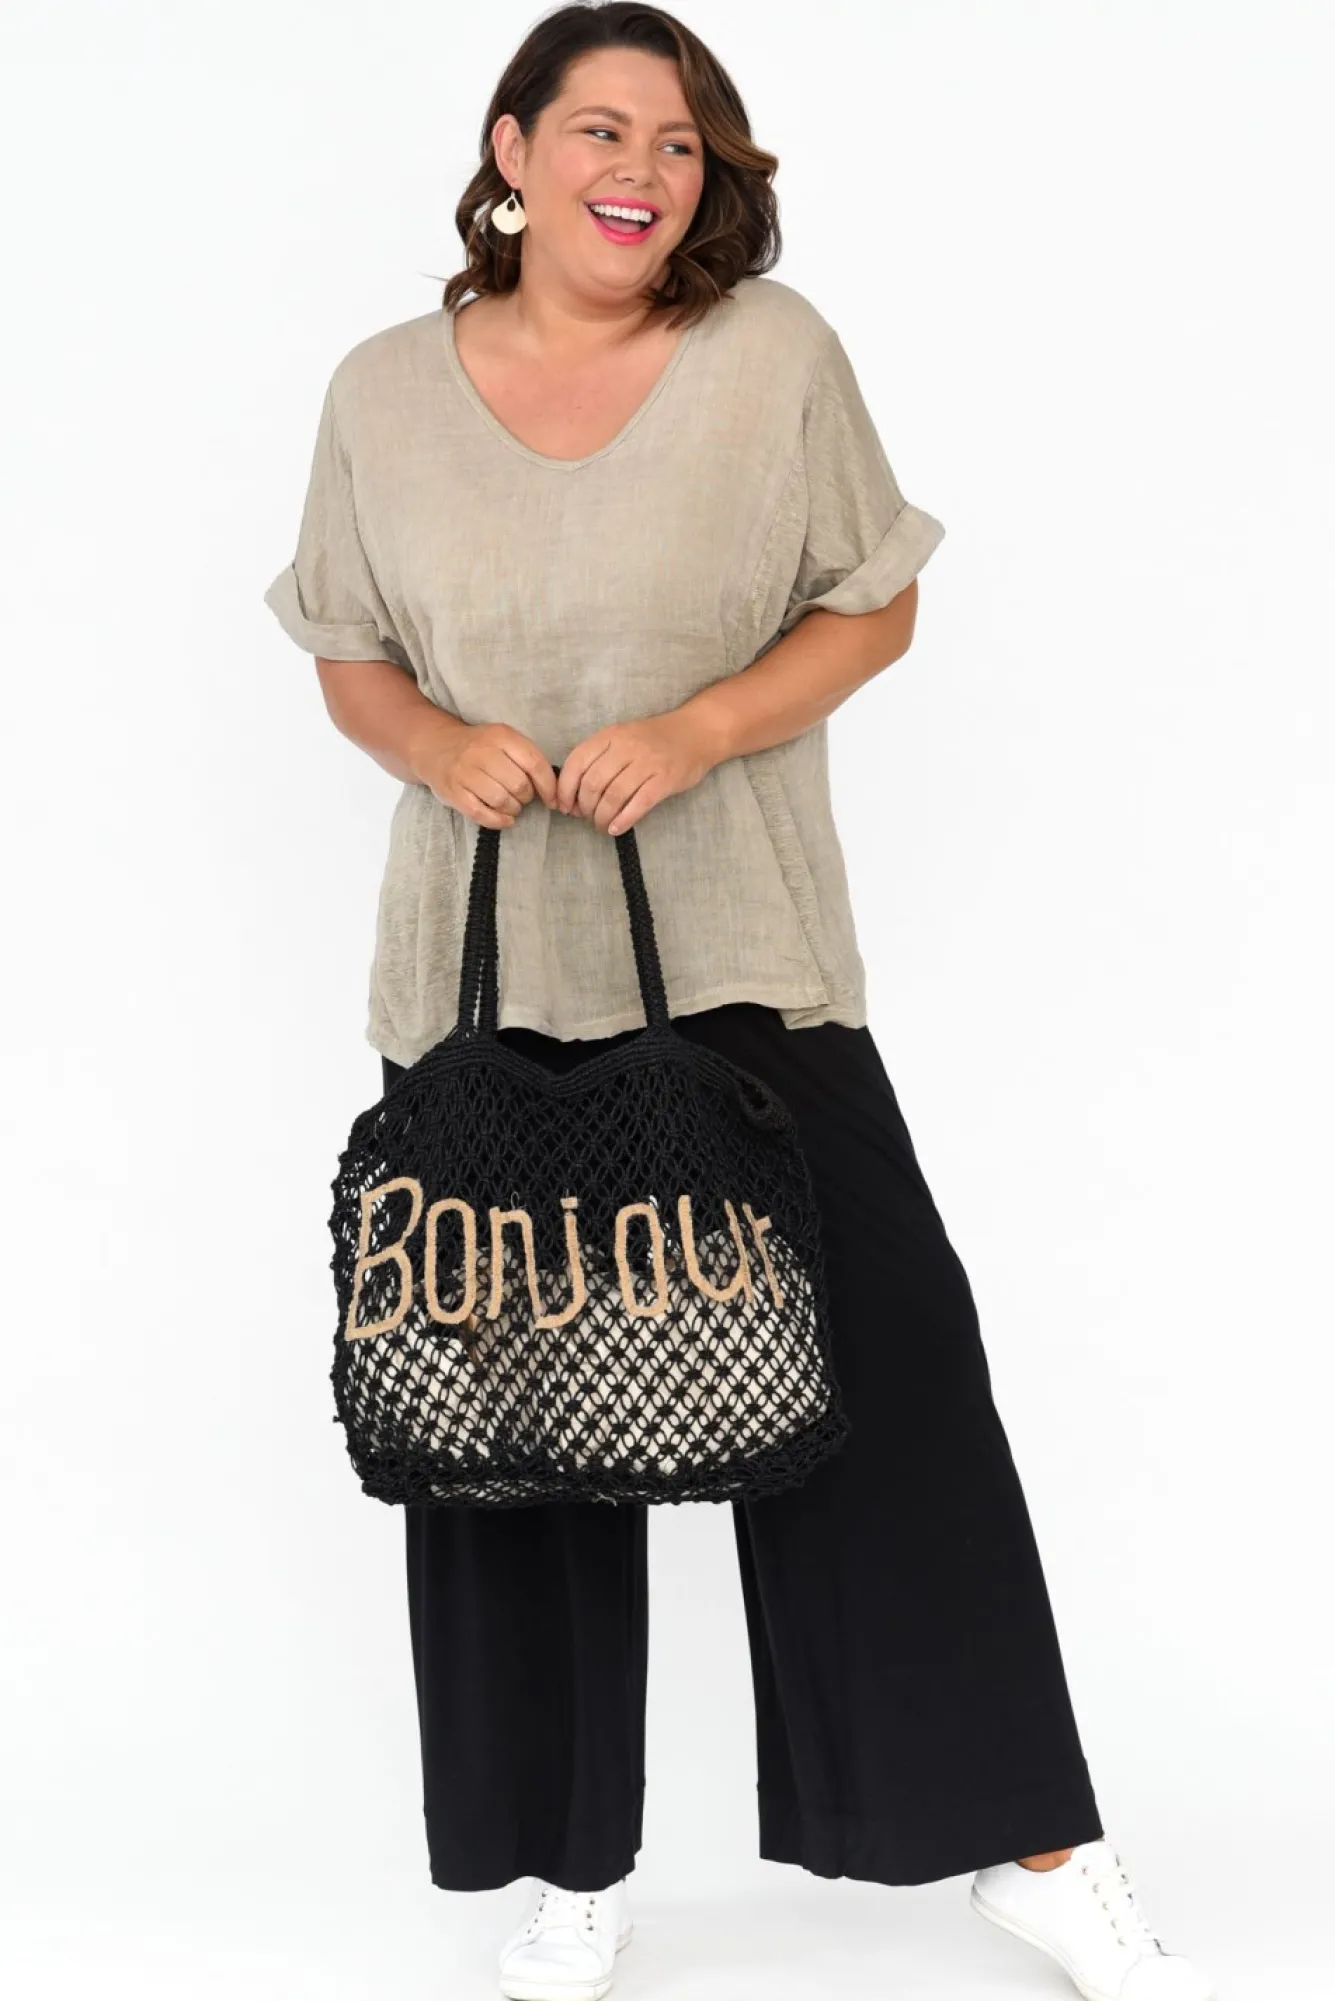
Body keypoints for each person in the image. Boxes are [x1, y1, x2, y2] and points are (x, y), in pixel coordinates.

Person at [263, 7, 1215, 2000]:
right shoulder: (379, 390)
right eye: (601, 130)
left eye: (681, 143)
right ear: (511, 149)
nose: (643, 170)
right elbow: (348, 653)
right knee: (511, 1417)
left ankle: (1031, 1848)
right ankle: (566, 1866)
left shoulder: (770, 357)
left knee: (887, 1384)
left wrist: (698, 730)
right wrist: (434, 745)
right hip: (481, 971)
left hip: (742, 949)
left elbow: (874, 598)